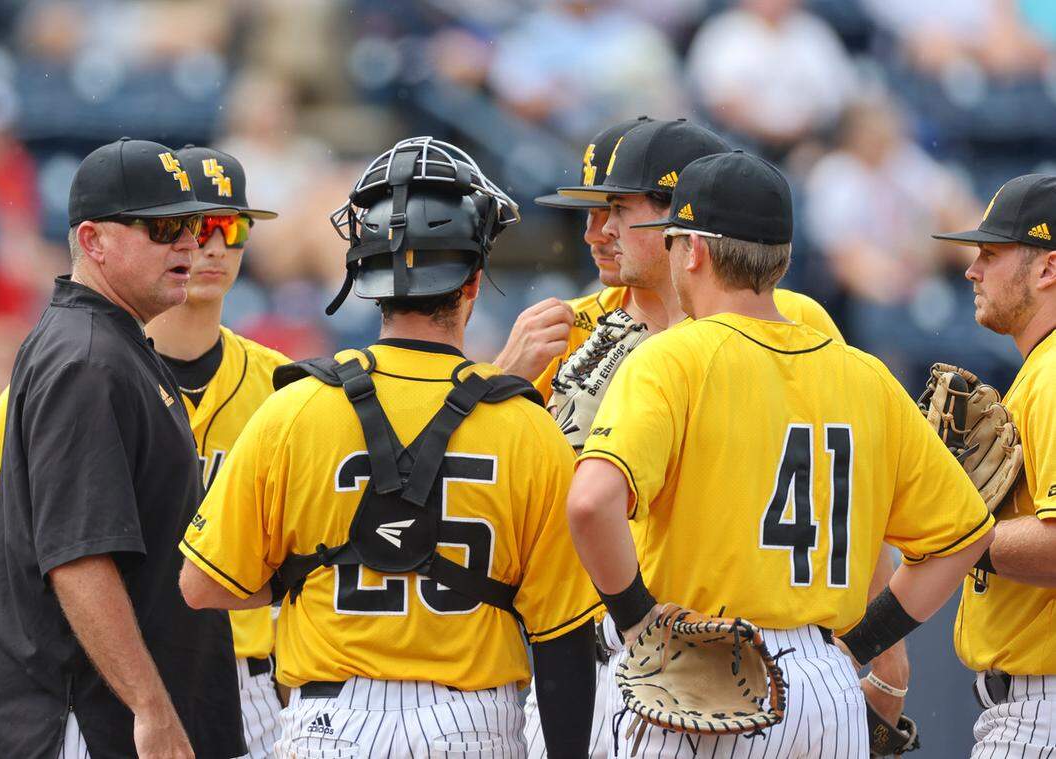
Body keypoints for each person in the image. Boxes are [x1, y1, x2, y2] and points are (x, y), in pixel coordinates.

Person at [178, 137, 600, 758]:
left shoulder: (292, 409)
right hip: (472, 724)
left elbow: (201, 586)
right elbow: (564, 635)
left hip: (332, 723)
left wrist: (305, 573)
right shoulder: (525, 426)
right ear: (473, 283)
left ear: (365, 276)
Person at [568, 150, 995, 757]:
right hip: (824, 688)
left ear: (694, 250)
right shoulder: (864, 373)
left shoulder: (671, 359)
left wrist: (638, 623)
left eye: (673, 243)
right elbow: (963, 539)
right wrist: (863, 643)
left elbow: (589, 504)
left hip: (697, 681)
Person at [0, 144, 289, 758]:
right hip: (117, 690)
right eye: (173, 226)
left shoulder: (278, 382)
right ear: (94, 241)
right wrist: (44, 642)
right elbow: (25, 542)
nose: (200, 244)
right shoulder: (88, 363)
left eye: (225, 225)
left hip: (234, 677)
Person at [497, 118, 844, 402]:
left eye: (615, 210)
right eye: (592, 214)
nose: (597, 233)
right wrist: (502, 379)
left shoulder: (795, 316)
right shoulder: (566, 326)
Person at [932, 173, 1056, 756]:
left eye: (990, 253)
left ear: (1047, 269)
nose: (970, 270)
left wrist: (957, 533)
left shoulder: (1054, 376)